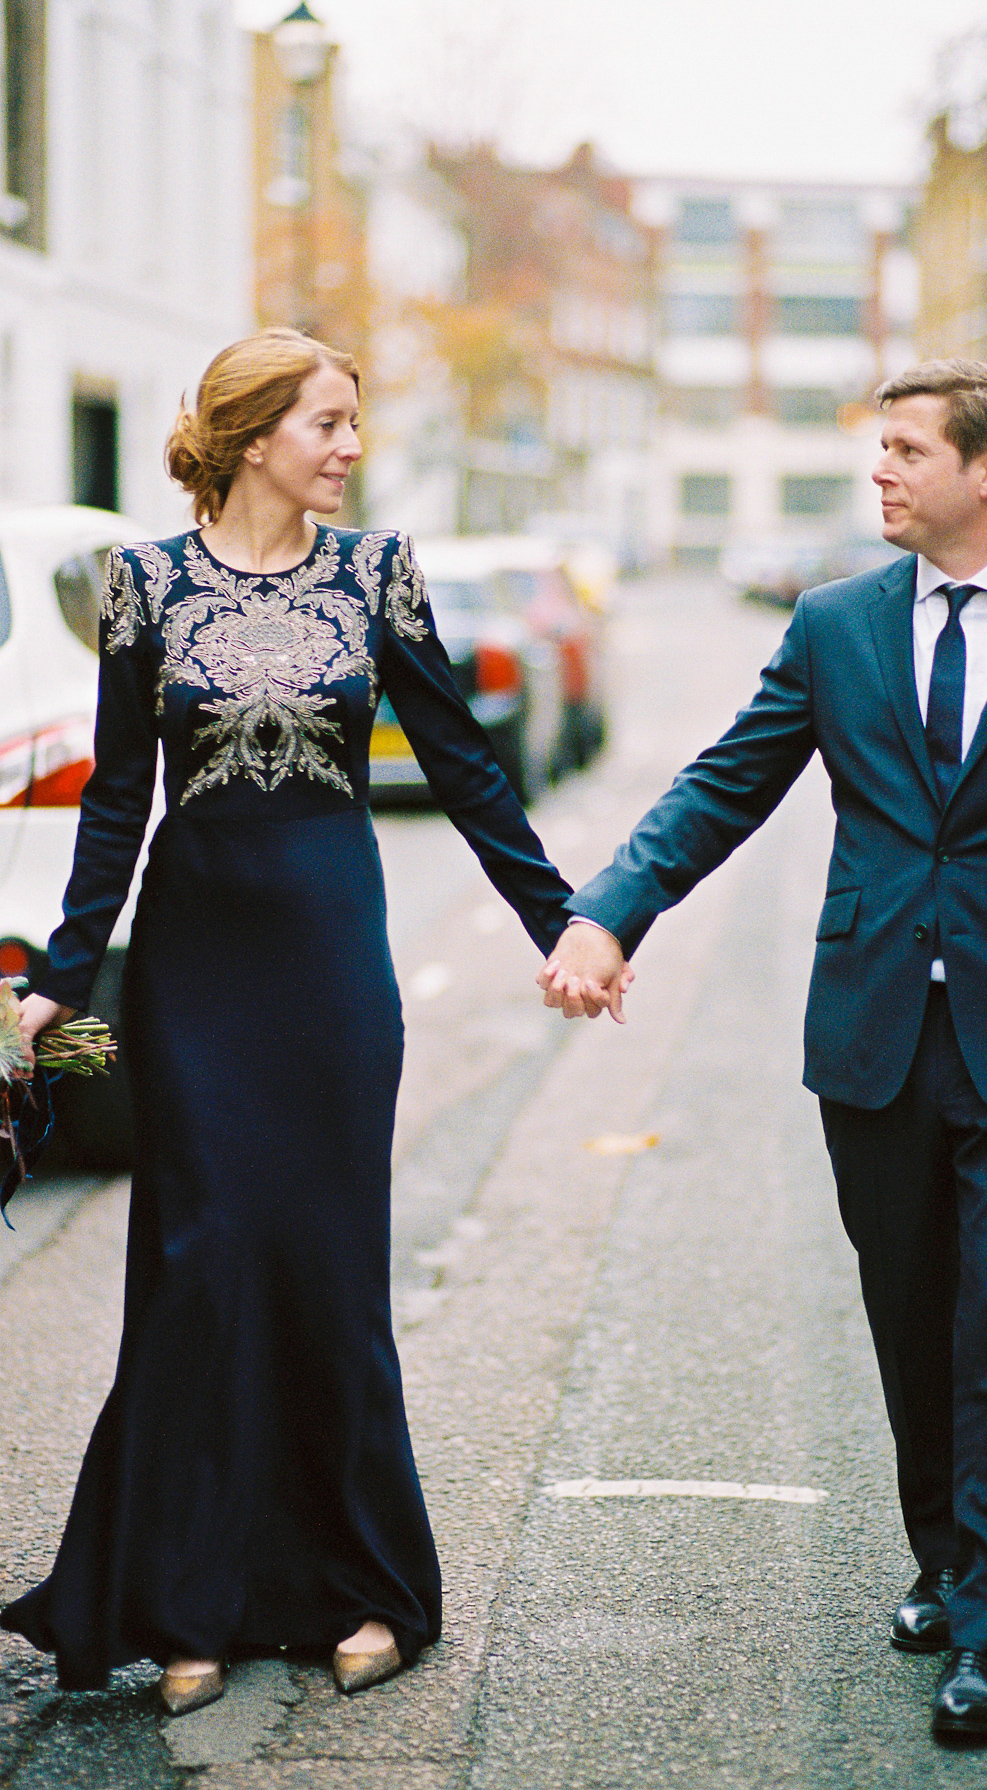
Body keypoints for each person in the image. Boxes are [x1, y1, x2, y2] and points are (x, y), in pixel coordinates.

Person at [537, 359, 987, 1741]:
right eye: (877, 449)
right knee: (911, 1316)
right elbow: (725, 780)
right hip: (875, 1033)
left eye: (904, 449)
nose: (879, 472)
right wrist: (608, 912)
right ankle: (946, 1553)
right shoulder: (835, 625)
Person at [4, 327, 576, 1715]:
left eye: (352, 423)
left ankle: (369, 1587)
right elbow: (114, 803)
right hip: (199, 971)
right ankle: (188, 1599)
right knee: (200, 1269)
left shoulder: (378, 577)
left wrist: (563, 923)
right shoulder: (143, 587)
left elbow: (465, 763)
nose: (349, 445)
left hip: (331, 972)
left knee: (327, 1268)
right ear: (257, 435)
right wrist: (61, 982)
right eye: (327, 422)